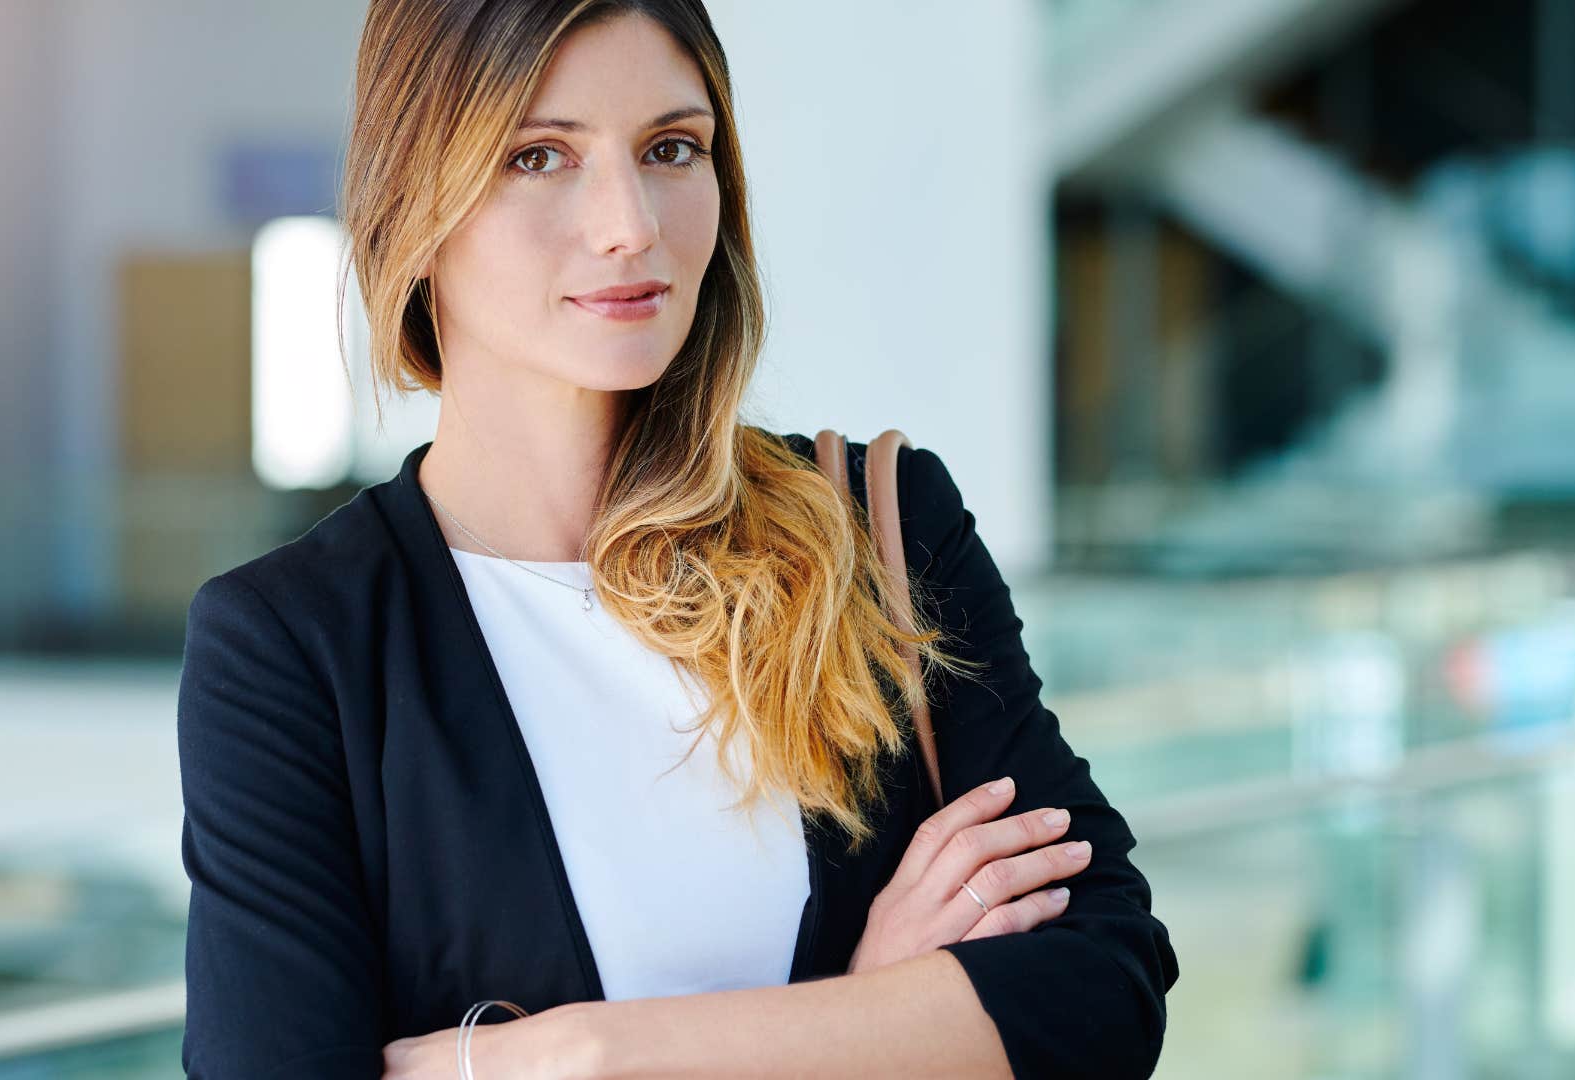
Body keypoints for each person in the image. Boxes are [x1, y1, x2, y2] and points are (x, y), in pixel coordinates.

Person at [174, 2, 1179, 1077]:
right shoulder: (293, 647)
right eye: (540, 156)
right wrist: (871, 1015)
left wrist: (582, 1056)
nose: (631, 224)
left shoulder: (878, 529)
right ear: (412, 201)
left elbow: (1103, 985)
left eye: (671, 149)